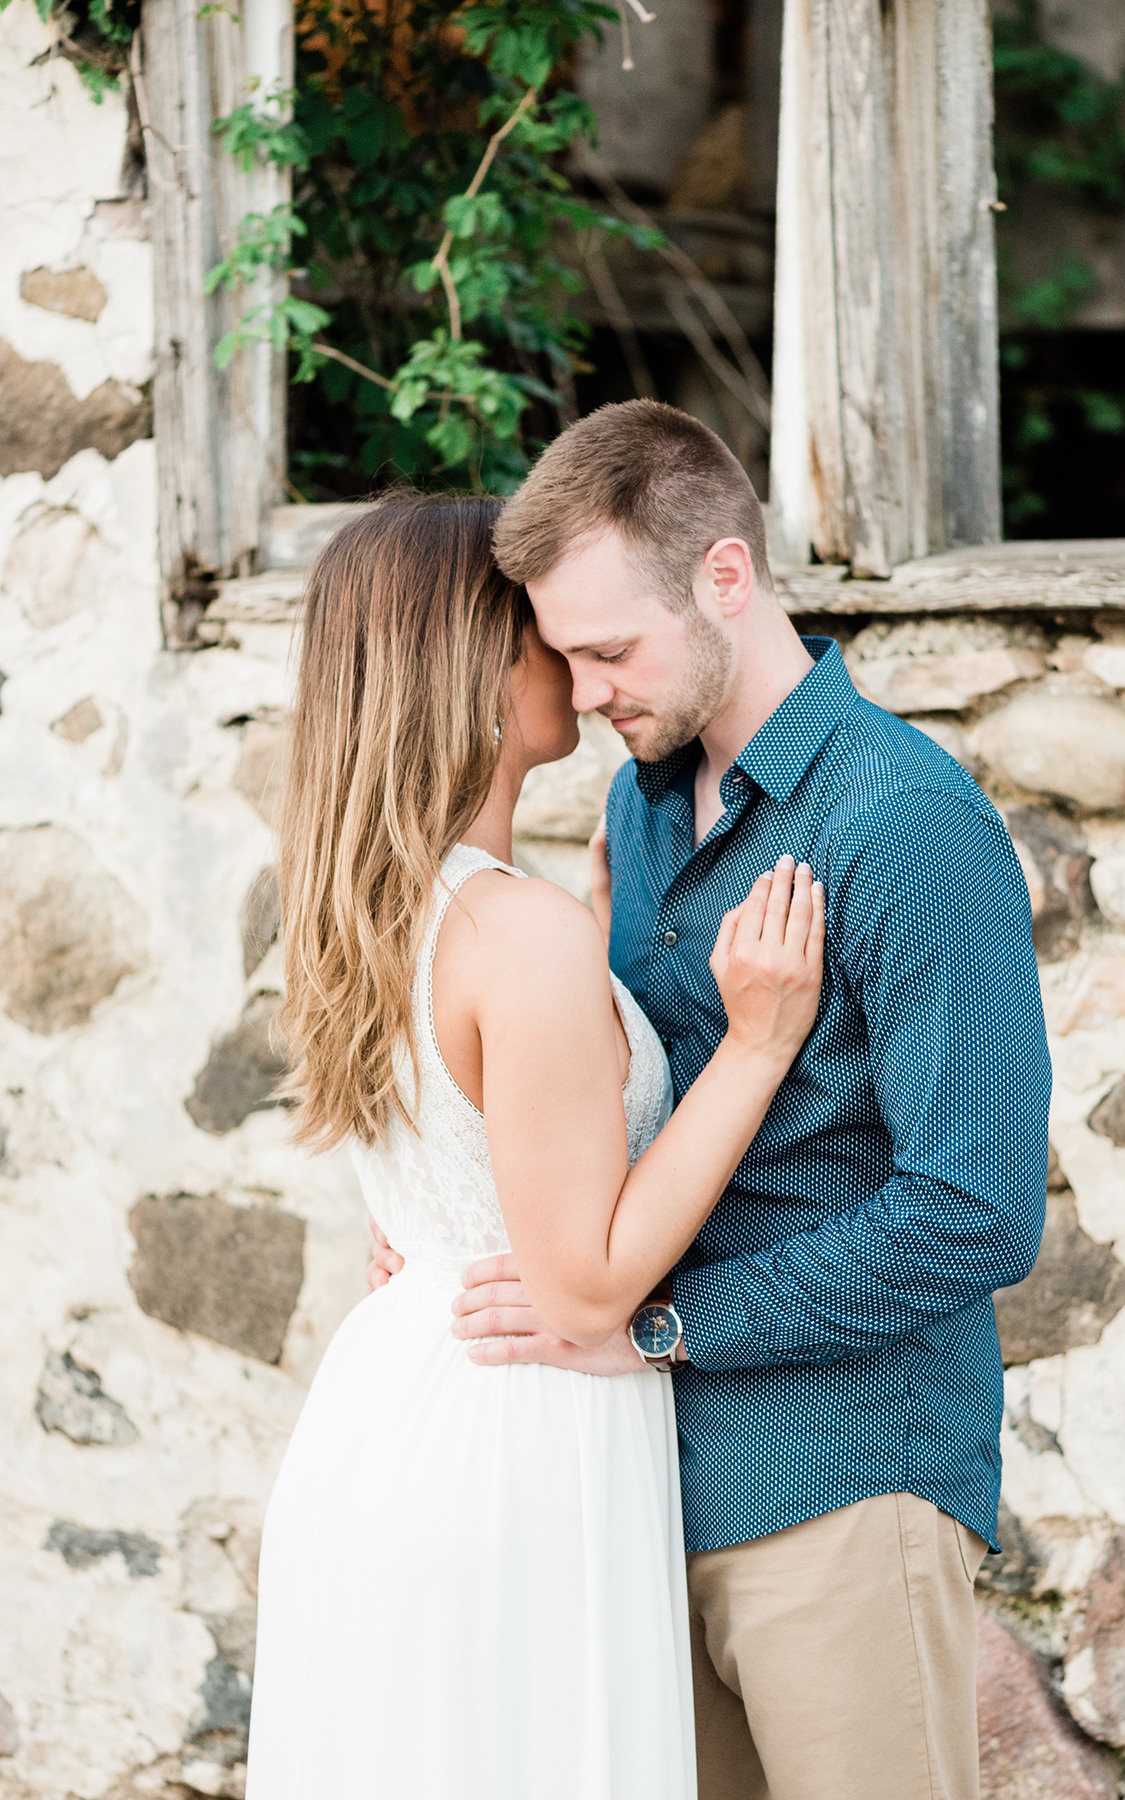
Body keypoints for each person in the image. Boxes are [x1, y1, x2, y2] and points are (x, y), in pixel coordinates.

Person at [372, 401, 1053, 1800]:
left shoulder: (907, 826)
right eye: (562, 656)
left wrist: (668, 1327)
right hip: (632, 1488)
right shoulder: (637, 801)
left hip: (837, 1481)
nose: (586, 689)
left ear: (725, 580)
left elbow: (977, 1210)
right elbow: (606, 1110)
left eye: (610, 649)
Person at [243, 490, 826, 1800]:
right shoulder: (516, 934)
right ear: (473, 664)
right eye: (542, 631)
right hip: (512, 1427)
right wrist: (754, 1044)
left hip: (393, 1402)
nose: (574, 657)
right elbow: (581, 1284)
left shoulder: (377, 906)